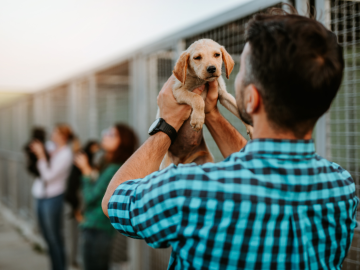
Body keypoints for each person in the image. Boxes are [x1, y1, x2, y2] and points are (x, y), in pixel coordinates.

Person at [102, 7, 359, 270]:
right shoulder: (341, 187)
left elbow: (113, 201)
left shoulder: (188, 189)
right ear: (324, 105)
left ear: (251, 99)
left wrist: (167, 123)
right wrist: (211, 112)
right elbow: (263, 169)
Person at [75, 124, 138, 270]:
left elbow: (90, 197)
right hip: (94, 228)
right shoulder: (107, 163)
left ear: (123, 142)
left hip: (98, 229)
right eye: (107, 132)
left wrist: (85, 171)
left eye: (112, 134)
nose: (105, 135)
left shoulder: (114, 169)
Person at [30, 124, 74, 270]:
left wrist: (41, 155)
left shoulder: (66, 154)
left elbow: (48, 176)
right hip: (41, 196)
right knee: (47, 237)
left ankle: (60, 267)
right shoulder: (51, 147)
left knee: (55, 237)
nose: (52, 135)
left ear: (63, 136)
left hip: (53, 197)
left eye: (55, 132)